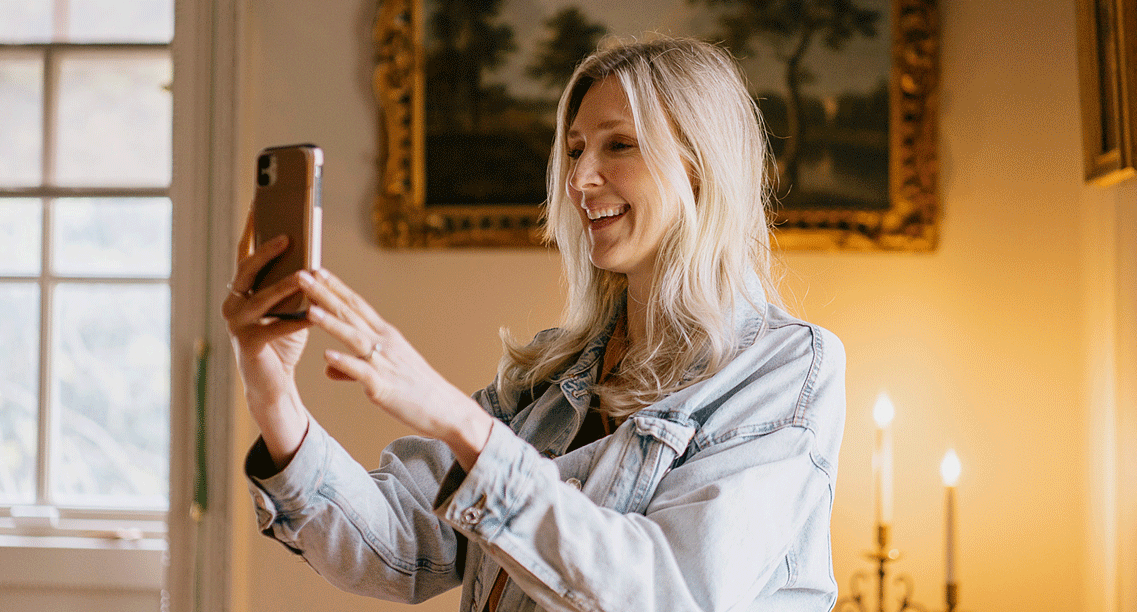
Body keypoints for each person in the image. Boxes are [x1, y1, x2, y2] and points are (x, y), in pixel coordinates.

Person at [223, 36, 846, 612]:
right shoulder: (551, 377)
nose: (578, 179)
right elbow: (396, 548)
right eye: (574, 150)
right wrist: (272, 392)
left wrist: (460, 422)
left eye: (618, 144)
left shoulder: (787, 369)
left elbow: (670, 589)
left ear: (700, 164)